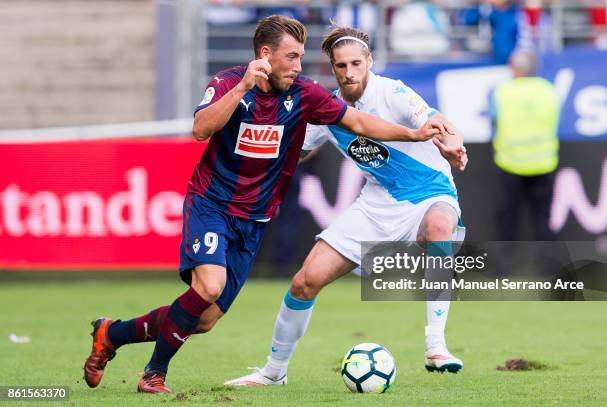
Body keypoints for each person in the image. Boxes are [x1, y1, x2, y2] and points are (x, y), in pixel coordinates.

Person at [82, 15, 462, 394]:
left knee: (204, 318)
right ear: (266, 55)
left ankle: (111, 334)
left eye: (354, 63)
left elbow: (369, 124)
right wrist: (248, 91)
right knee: (237, 286)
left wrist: (432, 138)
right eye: (293, 57)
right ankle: (166, 372)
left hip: (269, 215)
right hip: (216, 202)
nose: (299, 66)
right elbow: (204, 130)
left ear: (370, 63)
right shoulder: (233, 83)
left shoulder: (331, 95)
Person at [224, 25, 468, 387]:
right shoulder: (328, 107)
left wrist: (454, 145)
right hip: (376, 203)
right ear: (332, 68)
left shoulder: (394, 92)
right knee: (305, 282)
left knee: (439, 229)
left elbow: (439, 122)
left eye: (356, 63)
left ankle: (436, 345)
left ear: (369, 61)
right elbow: (297, 152)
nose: (350, 72)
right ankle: (274, 372)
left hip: (429, 192)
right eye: (341, 66)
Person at [490, 49, 560, 241]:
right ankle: (548, 266)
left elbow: (494, 121)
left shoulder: (503, 91)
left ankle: (506, 266)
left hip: (510, 162)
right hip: (544, 162)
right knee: (543, 218)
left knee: (508, 218)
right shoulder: (549, 89)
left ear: (515, 68)